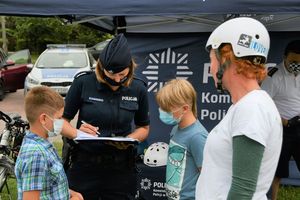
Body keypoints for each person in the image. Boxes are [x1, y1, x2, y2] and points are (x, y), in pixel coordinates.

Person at [195, 17, 283, 200]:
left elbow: (242, 191)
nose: (210, 69)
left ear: (226, 58)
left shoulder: (252, 108)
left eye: (211, 59)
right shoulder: (246, 106)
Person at [62, 33, 150, 200]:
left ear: (130, 67)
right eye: (111, 76)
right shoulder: (83, 83)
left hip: (121, 168)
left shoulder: (139, 88)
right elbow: (59, 123)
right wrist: (77, 132)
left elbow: (144, 127)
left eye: (122, 75)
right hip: (85, 166)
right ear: (101, 68)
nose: (117, 80)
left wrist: (131, 138)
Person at [14, 86, 84, 200]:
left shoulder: (43, 145)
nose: (61, 122)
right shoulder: (35, 154)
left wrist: (70, 193)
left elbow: (49, 184)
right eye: (59, 117)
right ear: (43, 119)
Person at [156, 79, 208, 200]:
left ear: (185, 108)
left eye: (167, 109)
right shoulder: (175, 129)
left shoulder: (197, 136)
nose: (163, 112)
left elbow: (207, 176)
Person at [261, 40, 300, 200]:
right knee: (276, 171)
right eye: (293, 62)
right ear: (285, 57)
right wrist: (284, 122)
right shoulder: (273, 76)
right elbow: (264, 104)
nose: (296, 65)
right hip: (282, 129)